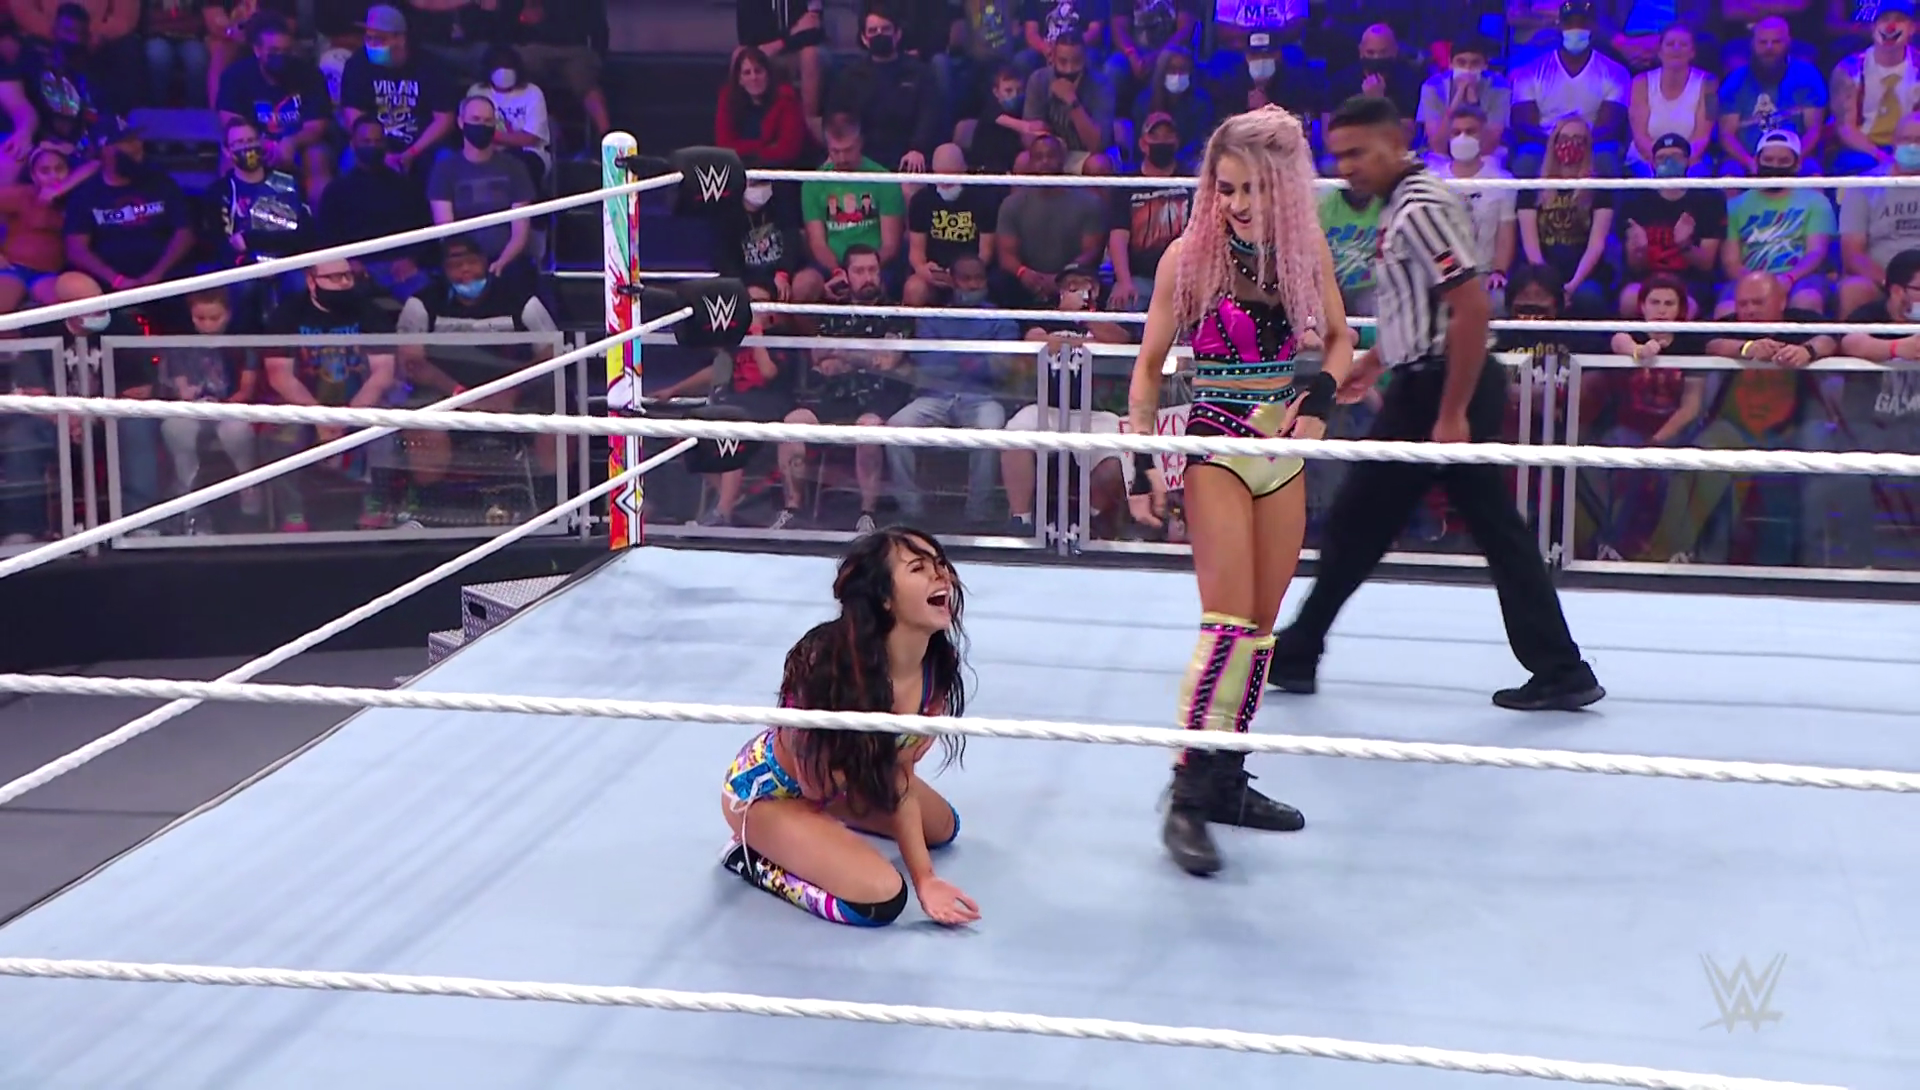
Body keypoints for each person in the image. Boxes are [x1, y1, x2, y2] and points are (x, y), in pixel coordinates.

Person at [1269, 95, 1604, 712]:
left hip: (1445, 385)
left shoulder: (1421, 206)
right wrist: (1377, 360)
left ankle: (1300, 651)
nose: (1347, 168)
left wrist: (1452, 411)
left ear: (1396, 143)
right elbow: (1420, 307)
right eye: (1339, 155)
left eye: (1358, 153)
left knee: (1372, 520)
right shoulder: (1402, 203)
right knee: (1387, 522)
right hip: (1428, 380)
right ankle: (1300, 651)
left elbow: (1470, 308)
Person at [1125, 105, 1356, 877]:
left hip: (1280, 452)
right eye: (1225, 188)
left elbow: (1342, 338)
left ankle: (1226, 778)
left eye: (1253, 189)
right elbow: (1150, 366)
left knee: (1258, 631)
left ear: (1283, 188)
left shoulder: (1304, 252)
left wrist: (1319, 399)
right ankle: (1187, 795)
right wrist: (1141, 466)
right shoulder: (1190, 257)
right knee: (1225, 626)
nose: (1238, 204)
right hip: (1215, 445)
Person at [720, 527, 979, 928]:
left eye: (940, 564)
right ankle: (747, 855)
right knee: (881, 898)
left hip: (848, 783)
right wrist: (883, 764)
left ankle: (825, 832)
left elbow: (900, 776)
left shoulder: (934, 673)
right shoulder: (827, 664)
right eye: (918, 568)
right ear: (885, 598)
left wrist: (926, 879)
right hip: (771, 792)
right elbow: (815, 783)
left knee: (943, 827)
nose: (940, 574)